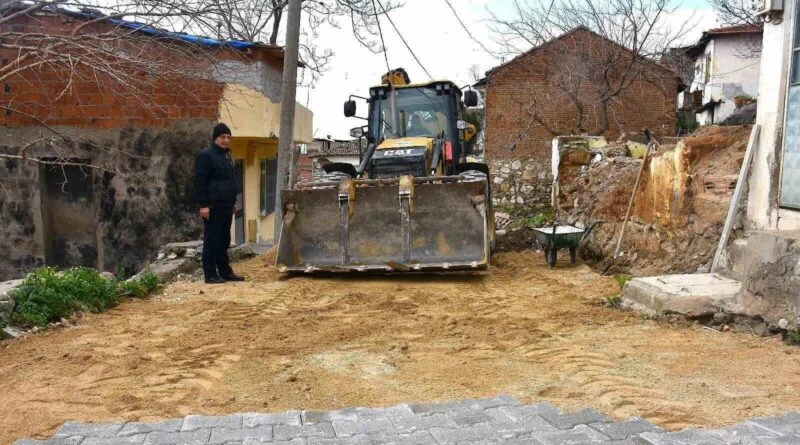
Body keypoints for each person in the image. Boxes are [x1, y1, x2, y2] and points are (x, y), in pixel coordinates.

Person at [195, 123, 245, 284]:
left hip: (226, 204)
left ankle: (225, 271)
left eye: (228, 137)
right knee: (212, 239)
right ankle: (210, 274)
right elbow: (200, 182)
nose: (226, 140)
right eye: (223, 137)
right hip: (213, 205)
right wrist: (203, 205)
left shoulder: (226, 156)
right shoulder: (206, 156)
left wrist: (233, 202)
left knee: (224, 240)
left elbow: (230, 180)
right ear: (216, 138)